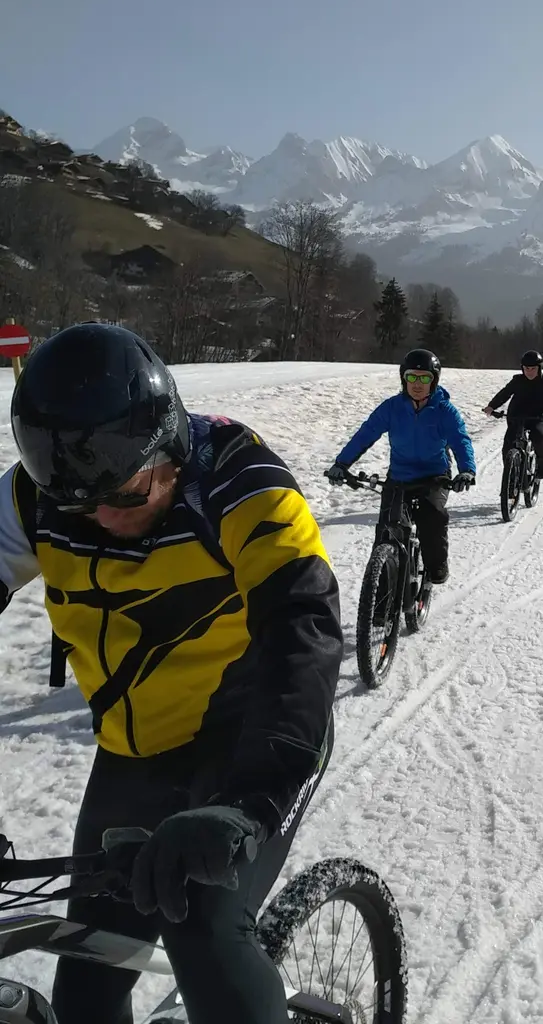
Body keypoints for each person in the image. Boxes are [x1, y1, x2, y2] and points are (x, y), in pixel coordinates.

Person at [0, 322, 342, 1024]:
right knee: (88, 980)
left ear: (170, 446)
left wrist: (250, 804)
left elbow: (301, 630)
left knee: (203, 933)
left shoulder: (243, 484)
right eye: (74, 503)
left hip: (248, 742)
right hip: (135, 752)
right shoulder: (43, 493)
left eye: (124, 495)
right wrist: (81, 499)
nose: (97, 516)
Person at [326, 348, 475, 585]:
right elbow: (366, 434)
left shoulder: (445, 411)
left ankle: (436, 565)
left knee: (432, 517)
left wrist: (466, 470)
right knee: (388, 530)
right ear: (403, 378)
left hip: (434, 477)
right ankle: (380, 600)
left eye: (424, 377)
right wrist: (342, 464)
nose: (417, 383)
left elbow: (460, 440)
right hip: (400, 477)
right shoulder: (392, 407)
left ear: (434, 380)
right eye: (411, 377)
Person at [483, 350, 543, 478]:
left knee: (537, 435)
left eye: (533, 368)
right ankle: (510, 474)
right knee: (509, 442)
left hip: (539, 417)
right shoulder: (517, 380)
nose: (529, 371)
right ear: (522, 368)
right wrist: (491, 406)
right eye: (526, 368)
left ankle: (542, 460)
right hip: (518, 416)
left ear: (539, 368)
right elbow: (505, 393)